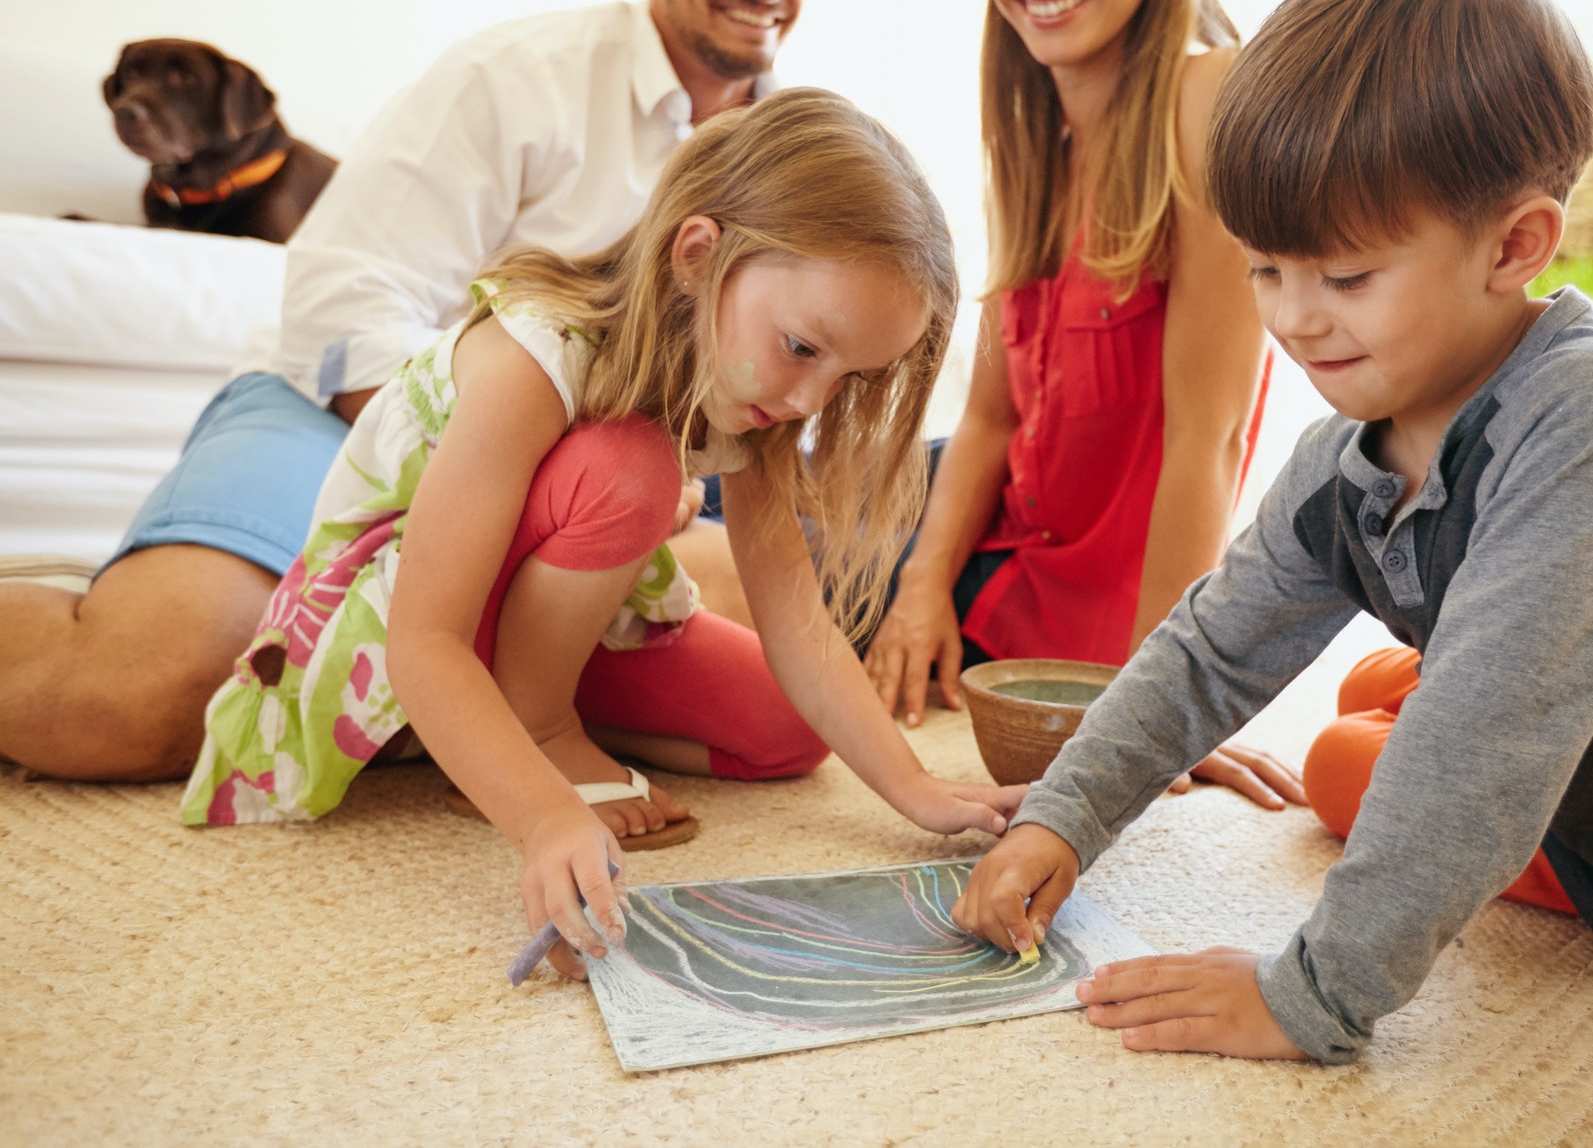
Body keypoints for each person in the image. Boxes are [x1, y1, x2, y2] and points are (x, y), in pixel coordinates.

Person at [952, 0, 1593, 1063]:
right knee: (1373, 683)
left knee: (1343, 762)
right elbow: (1209, 652)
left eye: (1345, 277)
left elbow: (1484, 743)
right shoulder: (1346, 450)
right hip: (1536, 690)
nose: (1294, 319)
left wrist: (1307, 992)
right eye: (1265, 269)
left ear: (1513, 245)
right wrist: (1059, 817)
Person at [0, 0, 802, 781]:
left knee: (781, 658)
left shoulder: (781, 155)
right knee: (131, 703)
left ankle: (444, 697)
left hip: (572, 487)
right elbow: (342, 305)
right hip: (340, 419)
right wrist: (505, 467)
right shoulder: (516, 78)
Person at [184, 88, 1024, 981]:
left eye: (848, 375)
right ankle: (532, 730)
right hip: (404, 616)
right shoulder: (533, 352)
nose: (811, 401)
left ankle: (502, 724)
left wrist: (913, 783)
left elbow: (798, 619)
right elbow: (423, 638)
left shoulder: (759, 401)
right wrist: (545, 815)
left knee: (786, 733)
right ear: (699, 256)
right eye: (803, 347)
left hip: (557, 619)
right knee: (634, 468)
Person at [860, 0, 1300, 808]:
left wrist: (1164, 703)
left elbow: (1210, 434)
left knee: (704, 581)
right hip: (984, 536)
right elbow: (987, 417)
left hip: (1085, 609)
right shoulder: (1034, 139)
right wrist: (921, 583)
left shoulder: (1207, 100)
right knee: (710, 516)